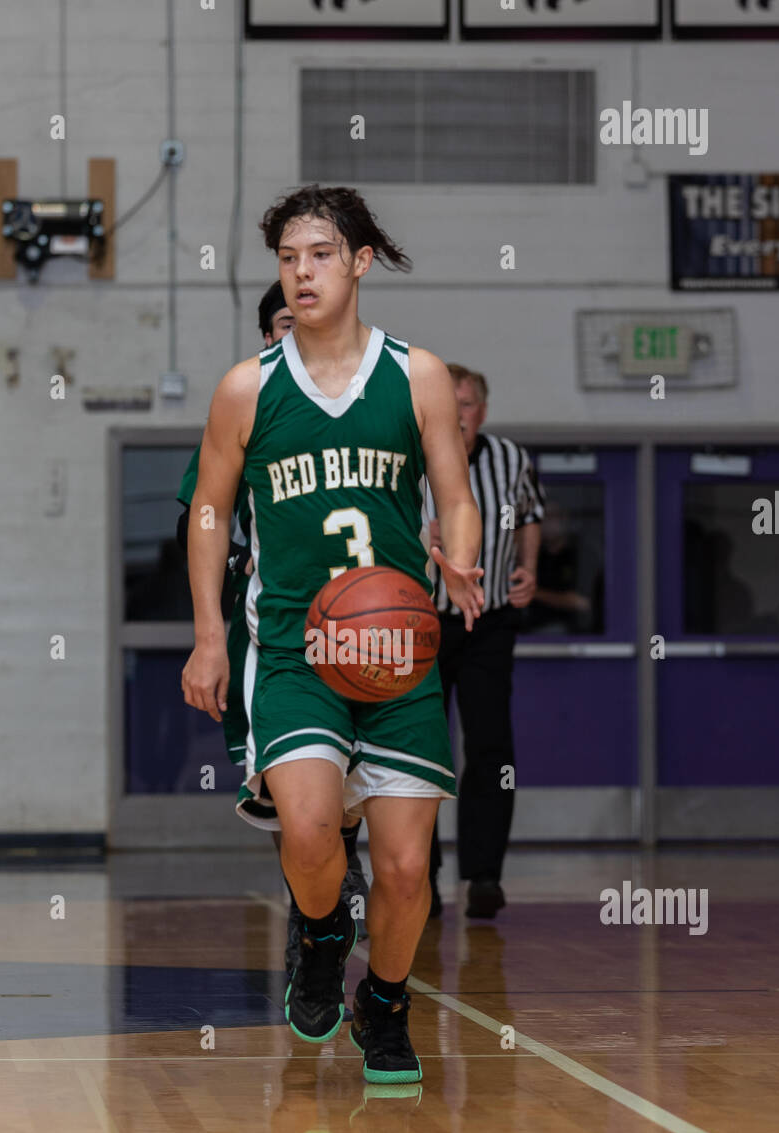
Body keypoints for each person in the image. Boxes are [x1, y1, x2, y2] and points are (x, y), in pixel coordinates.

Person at [182, 184, 483, 1083]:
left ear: (359, 262)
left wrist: (460, 559)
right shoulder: (248, 388)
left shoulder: (418, 375)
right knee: (309, 828)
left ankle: (383, 1004)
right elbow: (208, 511)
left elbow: (456, 495)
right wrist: (206, 635)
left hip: (398, 652)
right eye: (287, 259)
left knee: (401, 872)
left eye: (319, 255)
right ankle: (319, 933)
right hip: (294, 651)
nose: (301, 272)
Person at [175, 282, 367, 975]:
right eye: (284, 321)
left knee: (370, 792)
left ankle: (353, 887)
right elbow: (197, 515)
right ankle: (314, 917)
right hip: (280, 634)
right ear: (267, 336)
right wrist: (226, 581)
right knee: (292, 797)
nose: (300, 328)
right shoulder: (249, 401)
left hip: (371, 628)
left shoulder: (372, 397)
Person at [423, 366, 544, 920]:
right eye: (450, 403)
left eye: (467, 404)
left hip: (488, 623)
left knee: (492, 747)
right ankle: (419, 879)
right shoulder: (410, 457)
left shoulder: (510, 460)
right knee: (418, 751)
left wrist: (529, 569)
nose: (460, 412)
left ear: (483, 412)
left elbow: (530, 515)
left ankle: (485, 875)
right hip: (421, 625)